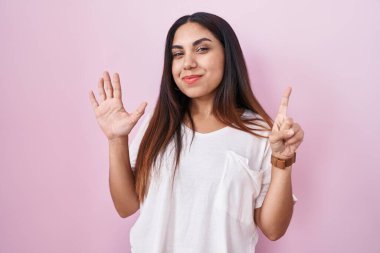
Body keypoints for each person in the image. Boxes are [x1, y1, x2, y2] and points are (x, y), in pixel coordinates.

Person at [89, 11, 304, 253]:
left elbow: (274, 229)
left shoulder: (260, 133)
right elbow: (126, 206)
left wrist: (283, 160)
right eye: (178, 54)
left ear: (227, 56)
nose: (187, 63)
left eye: (202, 49)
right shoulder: (157, 123)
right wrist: (117, 139)